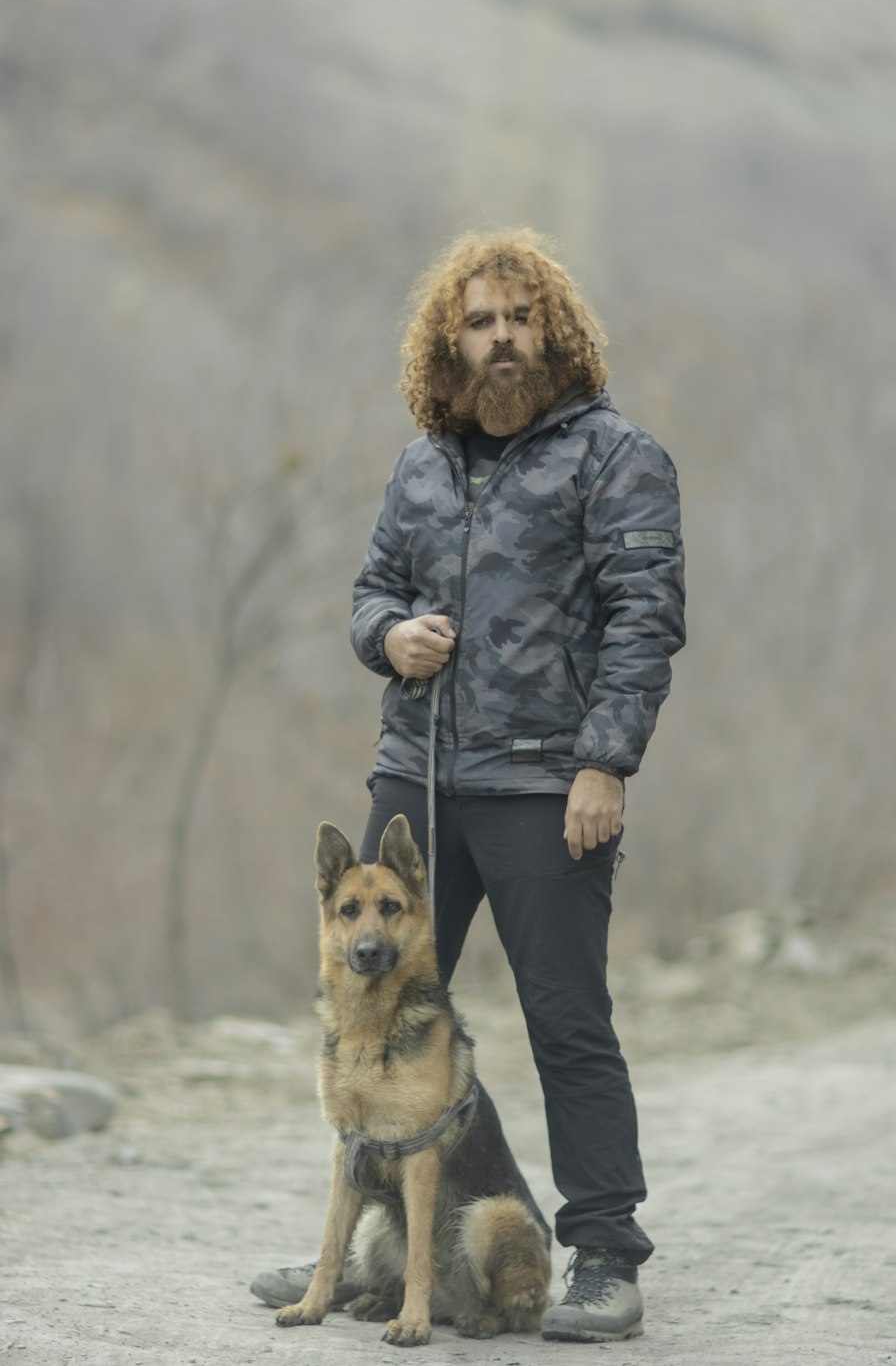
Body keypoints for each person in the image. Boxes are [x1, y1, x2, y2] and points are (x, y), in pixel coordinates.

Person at [252, 228, 685, 1342]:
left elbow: (645, 624)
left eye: (518, 317)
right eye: (479, 321)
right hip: (416, 780)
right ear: (450, 340)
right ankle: (363, 1256)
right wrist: (388, 635)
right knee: (367, 1007)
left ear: (555, 331)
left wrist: (605, 763)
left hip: (547, 786)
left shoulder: (614, 456)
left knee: (564, 1020)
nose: (500, 338)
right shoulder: (421, 464)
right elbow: (366, 595)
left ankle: (603, 1257)